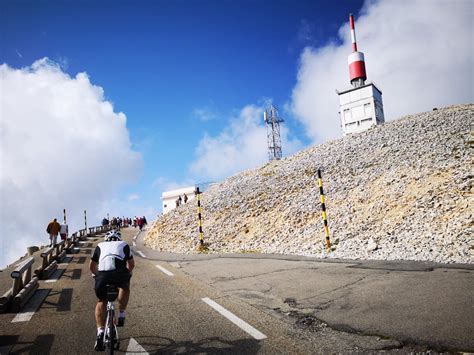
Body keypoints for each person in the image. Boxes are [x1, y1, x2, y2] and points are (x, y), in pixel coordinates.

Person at [90, 230, 134, 351]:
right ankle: (122, 314)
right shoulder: (124, 244)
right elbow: (131, 264)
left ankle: (100, 333)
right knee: (125, 287)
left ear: (106, 239)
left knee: (101, 301)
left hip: (103, 276)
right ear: (119, 238)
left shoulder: (100, 245)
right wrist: (128, 274)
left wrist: (96, 275)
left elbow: (92, 267)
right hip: (120, 274)